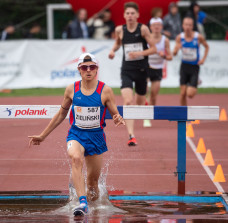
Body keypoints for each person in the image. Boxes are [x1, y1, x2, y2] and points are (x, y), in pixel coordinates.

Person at [28, 53, 125, 216]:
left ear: (96, 70)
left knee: (93, 184)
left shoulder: (105, 90)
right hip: (76, 135)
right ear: (79, 70)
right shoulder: (71, 89)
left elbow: (115, 112)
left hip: (96, 138)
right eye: (84, 67)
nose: (88, 70)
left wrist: (117, 117)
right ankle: (82, 203)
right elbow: (61, 114)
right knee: (76, 158)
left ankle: (93, 210)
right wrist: (42, 135)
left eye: (92, 67)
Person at [108, 2, 156, 146]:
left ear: (137, 15)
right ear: (124, 15)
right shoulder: (119, 30)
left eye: (132, 13)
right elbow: (117, 43)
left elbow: (153, 49)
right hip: (127, 71)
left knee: (139, 104)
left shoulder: (143, 29)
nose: (130, 16)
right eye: (127, 13)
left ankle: (143, 101)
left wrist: (139, 53)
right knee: (128, 102)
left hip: (141, 71)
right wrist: (112, 50)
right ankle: (131, 135)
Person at [172, 17, 209, 106]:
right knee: (182, 93)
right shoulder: (179, 37)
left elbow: (207, 47)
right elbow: (174, 53)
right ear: (183, 26)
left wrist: (203, 59)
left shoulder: (198, 37)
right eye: (186, 25)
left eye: (190, 25)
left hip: (194, 67)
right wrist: (177, 49)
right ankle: (184, 114)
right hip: (184, 66)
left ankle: (195, 81)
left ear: (192, 26)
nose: (187, 27)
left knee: (190, 94)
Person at [143, 17, 172, 128]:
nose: (156, 27)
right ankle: (144, 113)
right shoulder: (146, 38)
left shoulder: (165, 40)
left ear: (161, 27)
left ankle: (148, 116)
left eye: (158, 25)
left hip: (158, 69)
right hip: (146, 67)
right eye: (154, 25)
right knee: (144, 90)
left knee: (154, 95)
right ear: (150, 27)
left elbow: (170, 57)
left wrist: (163, 55)